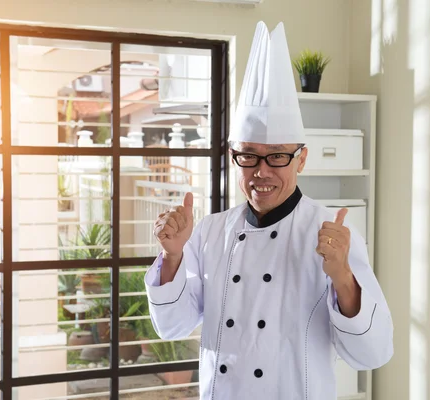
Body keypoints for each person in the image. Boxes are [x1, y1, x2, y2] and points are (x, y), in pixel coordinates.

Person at [144, 21, 393, 399]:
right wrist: (171, 255)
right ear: (233, 158)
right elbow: (172, 327)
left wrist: (342, 276)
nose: (262, 172)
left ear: (301, 159)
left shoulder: (331, 236)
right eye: (248, 156)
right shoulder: (209, 232)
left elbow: (371, 353)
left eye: (277, 156)